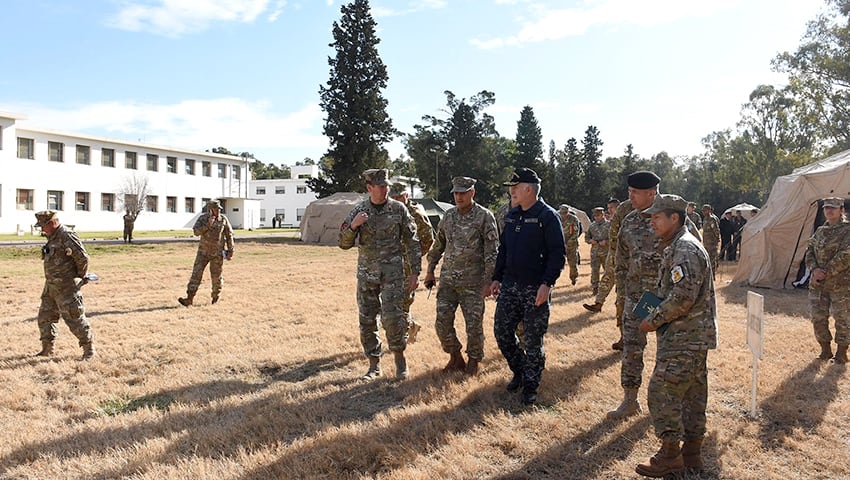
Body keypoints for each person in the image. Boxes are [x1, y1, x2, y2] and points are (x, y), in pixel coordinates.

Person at [634, 194, 718, 477]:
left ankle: (670, 455)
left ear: (675, 218)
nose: (652, 223)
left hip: (685, 337)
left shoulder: (684, 249)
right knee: (693, 396)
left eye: (657, 217)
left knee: (661, 391)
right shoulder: (677, 245)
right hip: (691, 336)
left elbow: (682, 297)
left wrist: (652, 320)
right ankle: (692, 456)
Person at [490, 167, 566, 405]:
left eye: (515, 187)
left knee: (533, 340)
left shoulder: (547, 216)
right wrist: (496, 277)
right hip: (510, 285)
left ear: (528, 189)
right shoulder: (512, 215)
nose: (511, 192)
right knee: (502, 332)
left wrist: (547, 284)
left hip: (535, 287)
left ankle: (531, 385)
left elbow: (558, 253)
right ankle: (520, 371)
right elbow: (504, 249)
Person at [339, 169, 421, 380]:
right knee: (367, 320)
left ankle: (400, 360)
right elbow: (343, 243)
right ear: (369, 188)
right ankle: (374, 365)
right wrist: (354, 226)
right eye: (381, 186)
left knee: (393, 318)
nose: (385, 190)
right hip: (367, 276)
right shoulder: (359, 210)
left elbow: (412, 241)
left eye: (387, 186)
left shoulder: (398, 209)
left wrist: (414, 272)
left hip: (393, 275)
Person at [424, 177, 498, 375]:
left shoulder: (484, 216)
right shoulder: (448, 216)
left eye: (463, 193)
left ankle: (474, 360)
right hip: (448, 281)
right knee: (442, 322)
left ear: (472, 193)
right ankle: (455, 357)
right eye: (456, 193)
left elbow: (492, 252)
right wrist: (430, 270)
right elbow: (438, 244)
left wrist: (488, 281)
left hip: (473, 283)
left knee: (473, 325)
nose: (459, 196)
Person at [608, 170, 664, 419]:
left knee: (668, 352)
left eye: (635, 193)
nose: (629, 196)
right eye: (629, 191)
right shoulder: (629, 221)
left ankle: (664, 404)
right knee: (631, 349)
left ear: (652, 193)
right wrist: (622, 293)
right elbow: (620, 262)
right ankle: (630, 400)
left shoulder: (672, 218)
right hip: (637, 299)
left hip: (666, 300)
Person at [33, 210, 96, 359]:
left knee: (74, 318)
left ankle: (89, 349)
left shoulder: (66, 235)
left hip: (67, 287)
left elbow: (82, 258)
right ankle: (47, 349)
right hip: (51, 286)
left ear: (53, 222)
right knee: (45, 318)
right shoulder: (52, 236)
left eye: (43, 226)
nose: (41, 229)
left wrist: (78, 277)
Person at [583, 197, 634, 351]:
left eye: (613, 207)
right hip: (614, 258)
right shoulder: (614, 221)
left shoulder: (631, 218)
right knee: (610, 284)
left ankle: (632, 336)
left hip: (630, 264)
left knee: (630, 302)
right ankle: (599, 303)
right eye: (610, 208)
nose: (611, 210)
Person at [804, 197, 850, 364]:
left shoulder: (847, 230)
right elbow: (809, 251)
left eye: (833, 208)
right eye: (827, 208)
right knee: (818, 317)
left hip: (841, 284)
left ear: (841, 210)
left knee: (842, 318)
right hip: (818, 284)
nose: (829, 211)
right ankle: (825, 350)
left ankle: (842, 353)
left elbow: (846, 255)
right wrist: (814, 270)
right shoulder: (821, 231)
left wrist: (826, 272)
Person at [390, 182, 435, 343]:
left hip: (407, 266)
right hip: (389, 265)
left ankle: (400, 339)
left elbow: (428, 238)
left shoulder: (415, 213)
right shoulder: (389, 211)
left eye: (399, 196)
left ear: (406, 196)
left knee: (403, 301)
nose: (396, 199)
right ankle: (412, 326)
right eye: (393, 197)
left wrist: (413, 256)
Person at [178, 199, 234, 307]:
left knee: (216, 277)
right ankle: (189, 299)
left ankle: (215, 299)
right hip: (203, 253)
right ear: (210, 210)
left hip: (217, 254)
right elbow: (196, 232)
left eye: (219, 209)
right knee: (196, 275)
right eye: (216, 209)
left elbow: (229, 235)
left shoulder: (223, 220)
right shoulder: (203, 219)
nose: (218, 211)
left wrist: (231, 250)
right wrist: (208, 225)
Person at [585, 207, 610, 297]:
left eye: (598, 215)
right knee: (595, 270)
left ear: (602, 215)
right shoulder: (592, 226)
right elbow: (586, 238)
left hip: (606, 253)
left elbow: (615, 238)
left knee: (608, 271)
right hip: (595, 253)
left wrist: (606, 242)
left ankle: (606, 289)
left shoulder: (609, 225)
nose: (596, 217)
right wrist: (590, 241)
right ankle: (595, 288)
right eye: (595, 216)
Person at [560, 205, 581, 286]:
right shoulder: (556, 218)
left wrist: (568, 244)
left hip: (571, 245)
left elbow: (575, 233)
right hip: (559, 244)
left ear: (568, 212)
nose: (563, 215)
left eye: (565, 213)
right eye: (562, 213)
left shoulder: (573, 219)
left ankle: (573, 278)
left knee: (572, 263)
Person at [701, 204, 720, 277]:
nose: (703, 212)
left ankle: (713, 275)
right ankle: (709, 274)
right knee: (707, 258)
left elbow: (716, 230)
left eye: (704, 210)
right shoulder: (705, 219)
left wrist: (717, 239)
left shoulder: (711, 219)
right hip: (706, 242)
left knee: (712, 258)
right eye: (703, 211)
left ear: (708, 210)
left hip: (712, 243)